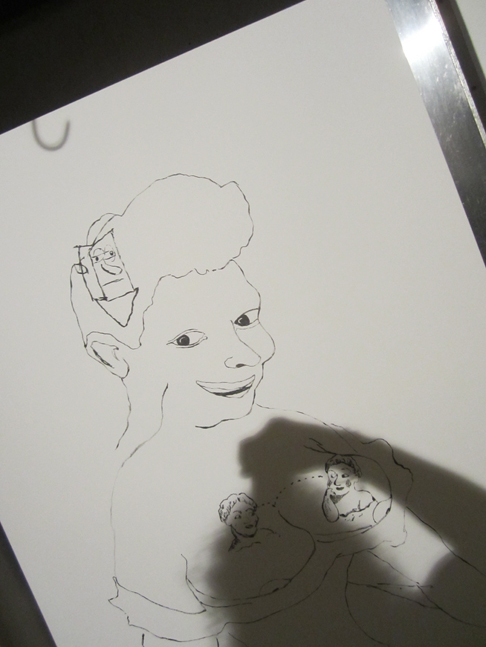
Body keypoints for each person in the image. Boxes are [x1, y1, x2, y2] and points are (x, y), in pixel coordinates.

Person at [71, 175, 486, 646]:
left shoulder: (304, 440)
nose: (248, 353)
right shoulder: (145, 493)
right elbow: (175, 635)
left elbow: (424, 562)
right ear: (114, 355)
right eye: (186, 339)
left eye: (245, 319)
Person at [322, 455, 377, 525]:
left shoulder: (364, 497)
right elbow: (332, 518)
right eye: (332, 476)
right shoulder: (329, 501)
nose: (337, 482)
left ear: (356, 477)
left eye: (344, 475)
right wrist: (327, 497)